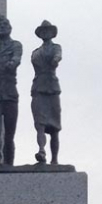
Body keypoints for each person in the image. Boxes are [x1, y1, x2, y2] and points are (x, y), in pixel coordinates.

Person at [0, 14, 23, 165]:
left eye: (4, 25)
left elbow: (16, 59)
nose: (1, 28)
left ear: (10, 28)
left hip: (10, 92)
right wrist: (7, 63)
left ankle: (9, 161)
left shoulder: (16, 45)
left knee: (9, 132)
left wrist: (12, 62)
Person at [31, 19, 62, 165]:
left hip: (52, 88)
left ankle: (54, 158)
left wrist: (55, 60)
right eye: (43, 31)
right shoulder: (36, 53)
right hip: (39, 88)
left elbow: (58, 56)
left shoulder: (56, 48)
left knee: (55, 127)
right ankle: (41, 149)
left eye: (48, 31)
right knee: (40, 124)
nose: (46, 33)